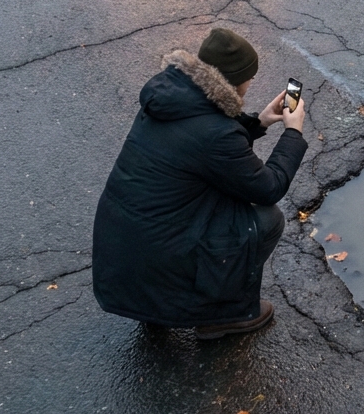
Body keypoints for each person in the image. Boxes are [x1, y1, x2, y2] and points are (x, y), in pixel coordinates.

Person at [92, 27, 308, 339]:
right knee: (266, 220)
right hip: (159, 252)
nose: (252, 82)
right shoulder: (216, 134)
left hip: (127, 253)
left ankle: (156, 303)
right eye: (251, 77)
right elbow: (268, 187)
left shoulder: (171, 98)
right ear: (236, 80)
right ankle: (221, 315)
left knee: (221, 201)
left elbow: (206, 153)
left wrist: (259, 122)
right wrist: (293, 133)